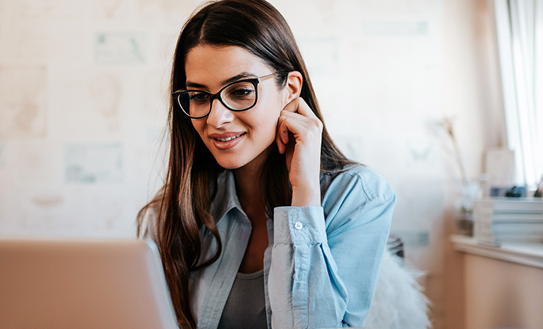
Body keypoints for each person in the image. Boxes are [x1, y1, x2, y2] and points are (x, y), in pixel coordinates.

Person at [138, 1, 396, 328]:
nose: (217, 119)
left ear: (290, 90)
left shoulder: (359, 196)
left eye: (241, 91)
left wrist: (303, 194)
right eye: (200, 96)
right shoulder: (174, 210)